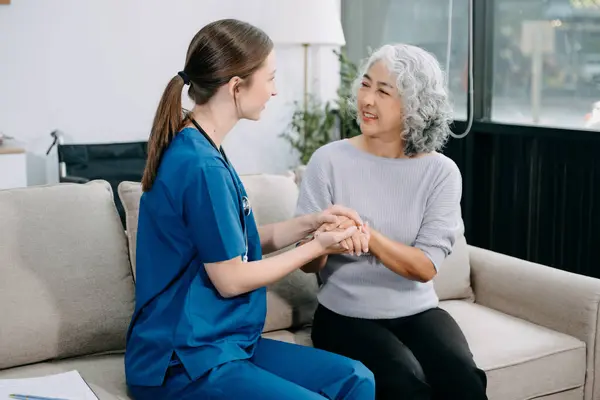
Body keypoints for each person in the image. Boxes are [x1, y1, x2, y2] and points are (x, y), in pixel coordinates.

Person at [124, 19, 375, 400]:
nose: (275, 91)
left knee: (356, 378)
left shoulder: (206, 148)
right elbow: (232, 278)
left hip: (224, 344)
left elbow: (243, 241)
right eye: (270, 78)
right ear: (236, 86)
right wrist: (318, 247)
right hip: (181, 362)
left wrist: (313, 221)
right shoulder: (200, 166)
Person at [296, 43, 488, 400]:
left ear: (414, 107)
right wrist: (321, 241)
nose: (367, 99)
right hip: (343, 315)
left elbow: (425, 266)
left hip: (417, 310)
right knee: (405, 385)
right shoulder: (328, 161)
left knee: (465, 382)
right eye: (365, 85)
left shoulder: (440, 172)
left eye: (383, 91)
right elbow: (309, 265)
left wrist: (366, 237)